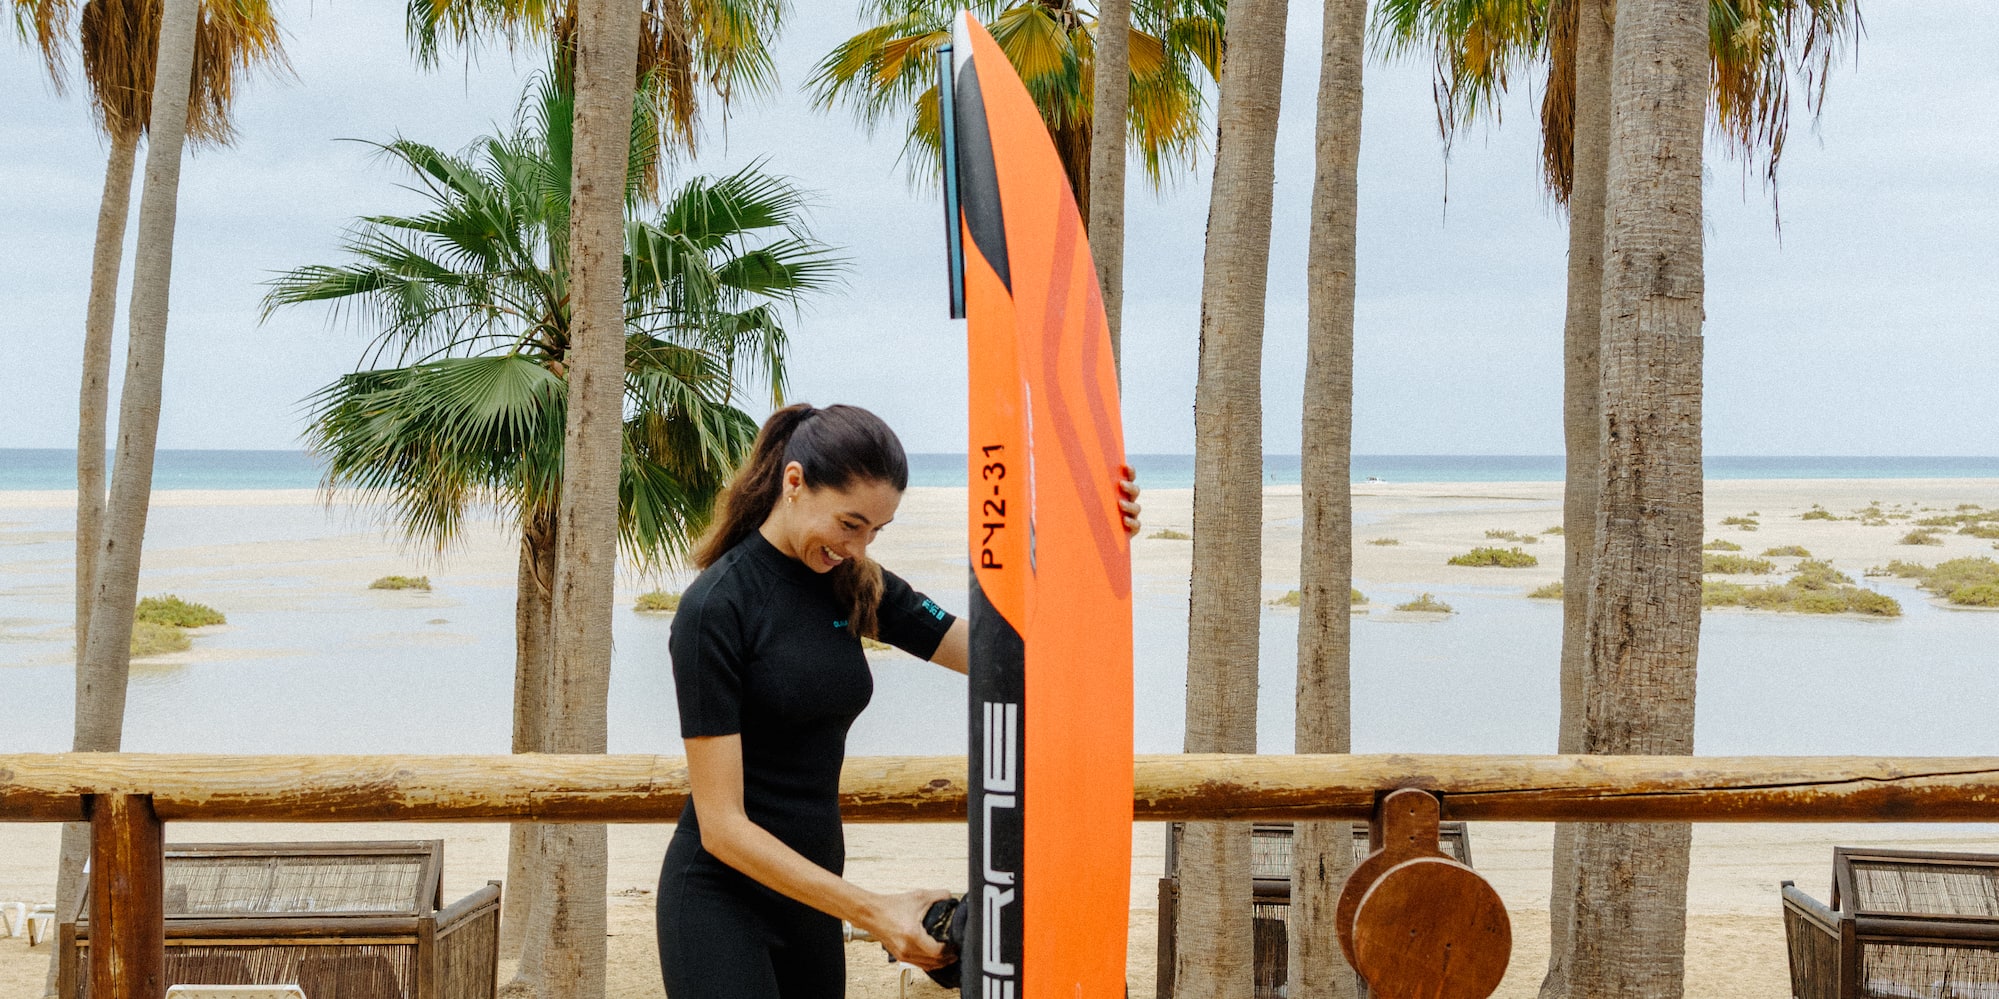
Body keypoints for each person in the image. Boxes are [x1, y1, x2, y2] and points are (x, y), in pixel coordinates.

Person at [657, 402, 1141, 999]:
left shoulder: (853, 582)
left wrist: (1091, 543)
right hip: (718, 905)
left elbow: (1008, 657)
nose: (858, 547)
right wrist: (875, 910)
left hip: (811, 898)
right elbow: (723, 829)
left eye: (875, 532)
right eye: (849, 523)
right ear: (794, 482)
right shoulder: (716, 609)